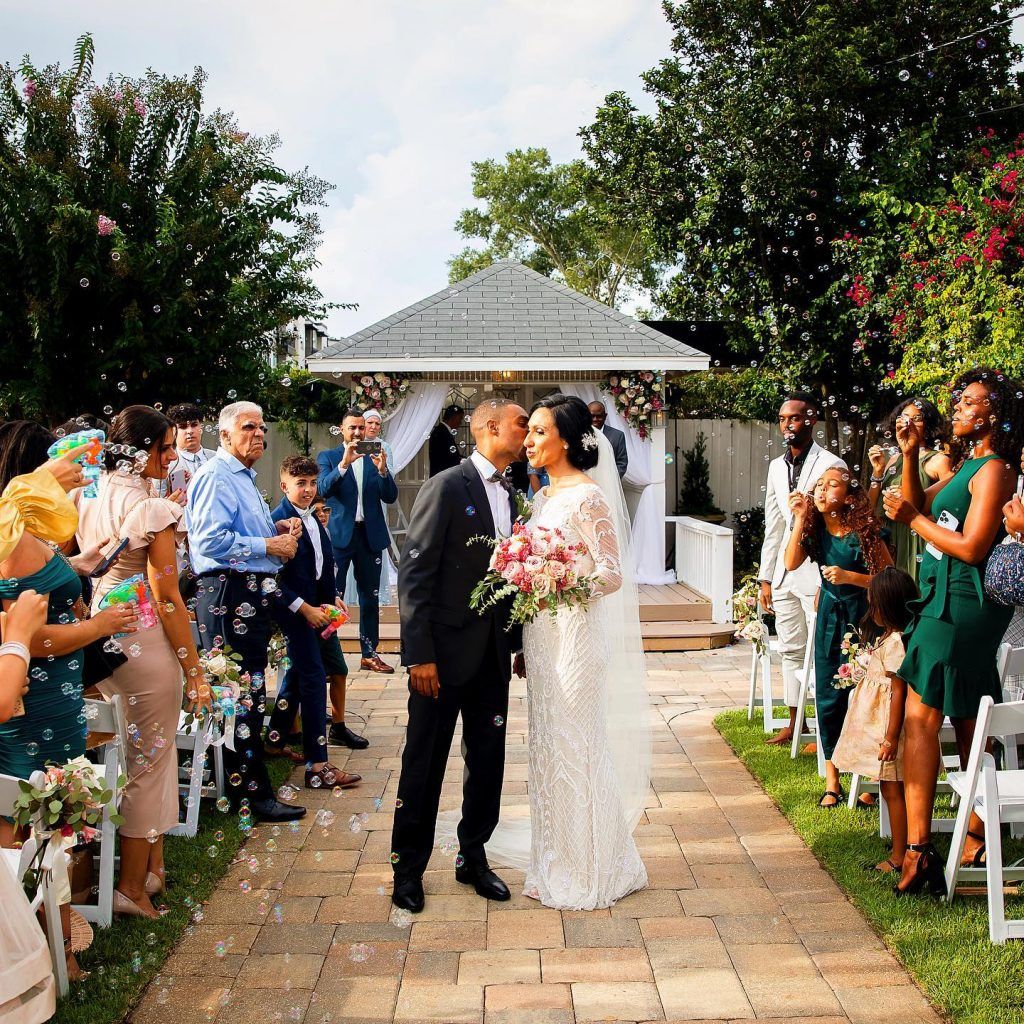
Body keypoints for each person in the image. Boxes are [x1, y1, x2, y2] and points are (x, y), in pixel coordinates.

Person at [883, 368, 1024, 897]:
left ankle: (921, 850)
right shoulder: (969, 465)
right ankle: (974, 838)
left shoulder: (995, 471)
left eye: (970, 401)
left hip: (964, 606)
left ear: (995, 413)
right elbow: (916, 503)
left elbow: (972, 547)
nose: (959, 408)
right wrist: (909, 453)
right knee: (966, 717)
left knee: (922, 718)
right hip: (941, 600)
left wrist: (913, 522)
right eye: (960, 401)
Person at [0, 445, 134, 982]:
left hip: (50, 703)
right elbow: (29, 635)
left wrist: (74, 571)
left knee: (50, 829)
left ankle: (56, 944)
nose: (72, 478)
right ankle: (30, 953)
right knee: (20, 829)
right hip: (25, 710)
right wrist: (98, 627)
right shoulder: (8, 541)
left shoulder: (20, 529)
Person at [390, 398, 529, 914]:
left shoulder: (511, 492)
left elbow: (506, 577)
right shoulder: (446, 486)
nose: (527, 432)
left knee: (487, 760)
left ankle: (473, 855)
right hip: (441, 659)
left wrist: (514, 642)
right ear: (489, 428)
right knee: (423, 763)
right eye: (521, 424)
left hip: (491, 654)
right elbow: (415, 573)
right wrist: (418, 654)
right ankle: (407, 868)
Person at [76, 405, 213, 919]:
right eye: (167, 447)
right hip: (145, 639)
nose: (173, 456)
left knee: (124, 753)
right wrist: (194, 667)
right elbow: (168, 595)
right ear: (147, 450)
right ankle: (129, 888)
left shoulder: (89, 494)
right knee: (149, 764)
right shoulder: (151, 507)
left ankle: (151, 870)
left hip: (102, 635)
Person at [513, 394, 649, 909]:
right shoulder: (545, 496)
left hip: (575, 638)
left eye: (540, 432)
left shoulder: (589, 497)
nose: (529, 441)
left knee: (577, 744)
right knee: (549, 746)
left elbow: (611, 574)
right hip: (542, 637)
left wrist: (556, 580)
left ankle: (593, 866)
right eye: (528, 432)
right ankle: (554, 860)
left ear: (566, 439)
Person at [186, 401, 306, 823]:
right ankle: (253, 794)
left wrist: (273, 530)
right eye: (247, 427)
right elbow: (210, 542)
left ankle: (244, 786)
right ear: (223, 435)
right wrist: (268, 546)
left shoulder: (242, 479)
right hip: (225, 595)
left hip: (246, 594)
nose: (258, 434)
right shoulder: (216, 476)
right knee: (240, 698)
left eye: (261, 427)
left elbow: (239, 533)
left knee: (250, 695)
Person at [785, 468, 892, 806]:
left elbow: (889, 578)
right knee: (830, 699)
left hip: (864, 618)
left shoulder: (864, 532)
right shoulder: (816, 531)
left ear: (848, 497)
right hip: (830, 619)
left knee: (865, 697)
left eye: (831, 485)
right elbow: (790, 562)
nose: (821, 489)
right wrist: (801, 517)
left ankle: (865, 777)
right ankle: (833, 781)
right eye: (818, 484)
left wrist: (850, 577)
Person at [264, 455, 364, 784]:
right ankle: (318, 766)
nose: (307, 490)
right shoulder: (279, 521)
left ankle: (274, 740)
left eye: (311, 483)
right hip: (294, 613)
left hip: (315, 608)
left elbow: (321, 563)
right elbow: (271, 580)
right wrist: (303, 607)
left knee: (297, 674)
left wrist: (330, 597)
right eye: (299, 484)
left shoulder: (311, 517)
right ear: (284, 486)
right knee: (313, 675)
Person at [758, 391, 846, 746]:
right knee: (791, 648)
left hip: (817, 572)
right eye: (782, 419)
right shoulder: (776, 467)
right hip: (783, 572)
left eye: (794, 418)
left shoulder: (831, 463)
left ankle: (829, 727)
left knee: (824, 650)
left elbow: (839, 524)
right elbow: (773, 524)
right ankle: (796, 722)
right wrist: (765, 576)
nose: (787, 425)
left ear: (811, 420)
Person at [832, 567, 918, 874]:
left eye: (875, 605)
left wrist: (891, 737)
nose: (871, 610)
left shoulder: (896, 642)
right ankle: (903, 846)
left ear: (890, 606)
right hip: (882, 724)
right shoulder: (890, 637)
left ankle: (899, 854)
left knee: (892, 788)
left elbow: (898, 691)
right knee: (887, 787)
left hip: (889, 727)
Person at [317, 409, 398, 674]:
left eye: (361, 428)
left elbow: (390, 497)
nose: (357, 433)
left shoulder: (375, 457)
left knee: (369, 598)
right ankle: (326, 657)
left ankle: (369, 654)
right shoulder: (329, 457)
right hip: (340, 536)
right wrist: (343, 464)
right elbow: (322, 489)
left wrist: (384, 471)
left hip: (370, 535)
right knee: (331, 596)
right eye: (352, 427)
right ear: (341, 429)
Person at [867, 398, 953, 579]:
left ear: (929, 424)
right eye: (904, 417)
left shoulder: (938, 460)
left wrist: (918, 517)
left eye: (917, 418)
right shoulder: (892, 460)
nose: (909, 423)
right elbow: (870, 507)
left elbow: (950, 508)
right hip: (890, 539)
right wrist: (877, 473)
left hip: (917, 540)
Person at [153, 402, 216, 502]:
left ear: (201, 427)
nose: (190, 431)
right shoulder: (165, 463)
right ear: (173, 431)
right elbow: (157, 503)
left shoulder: (217, 458)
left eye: (194, 425)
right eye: (183, 427)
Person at [588, 401, 628, 479]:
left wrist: (611, 481)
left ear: (605, 416)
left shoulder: (617, 436)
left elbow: (621, 463)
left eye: (599, 416)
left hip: (610, 483)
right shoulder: (580, 434)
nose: (595, 419)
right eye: (592, 416)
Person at [428, 404, 465, 477]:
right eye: (460, 418)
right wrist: (464, 461)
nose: (460, 422)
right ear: (453, 417)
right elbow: (445, 458)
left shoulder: (443, 431)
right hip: (441, 477)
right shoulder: (440, 433)